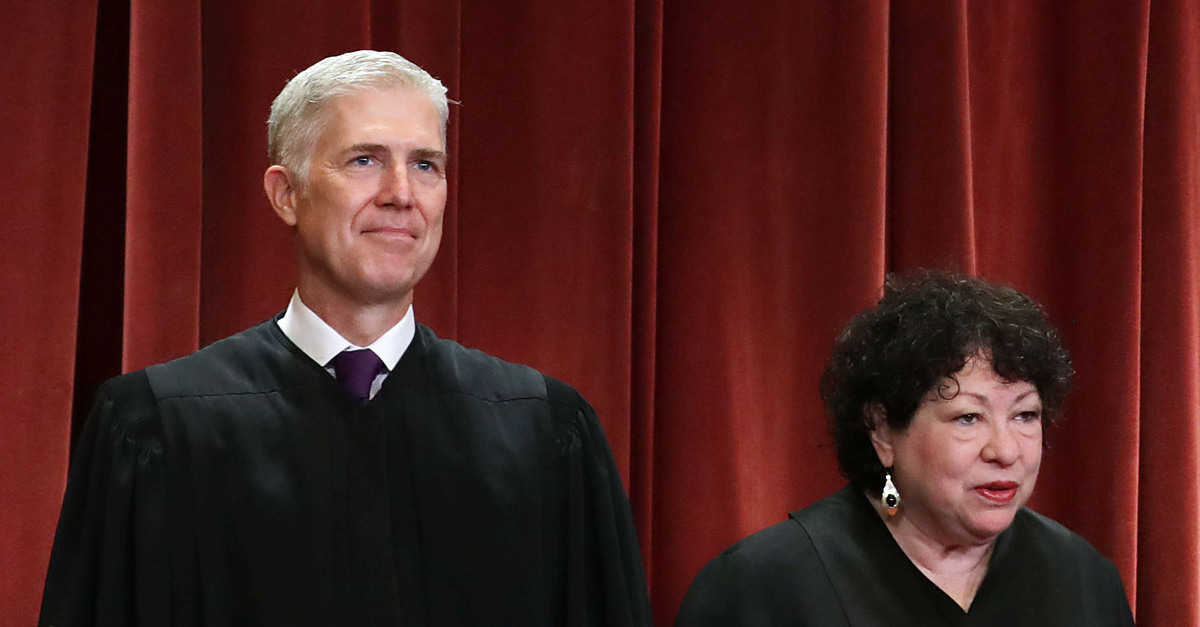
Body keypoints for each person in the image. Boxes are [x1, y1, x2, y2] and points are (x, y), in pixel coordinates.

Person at [40, 50, 651, 626]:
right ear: (287, 195)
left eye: (425, 164)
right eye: (364, 159)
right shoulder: (157, 429)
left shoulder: (544, 431)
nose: (401, 194)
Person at [676, 271, 1135, 626]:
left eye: (1025, 416)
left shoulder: (1084, 581)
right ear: (882, 431)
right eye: (968, 417)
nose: (1005, 450)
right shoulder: (761, 588)